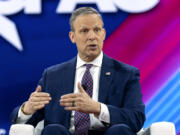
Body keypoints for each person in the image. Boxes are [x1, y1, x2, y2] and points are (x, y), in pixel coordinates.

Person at [10, 7, 145, 135]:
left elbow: (136, 119)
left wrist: (98, 108)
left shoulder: (126, 74)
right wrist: (27, 109)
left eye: (97, 30)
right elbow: (29, 120)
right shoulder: (52, 76)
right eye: (85, 31)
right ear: (72, 36)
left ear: (103, 34)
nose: (92, 36)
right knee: (52, 130)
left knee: (120, 130)